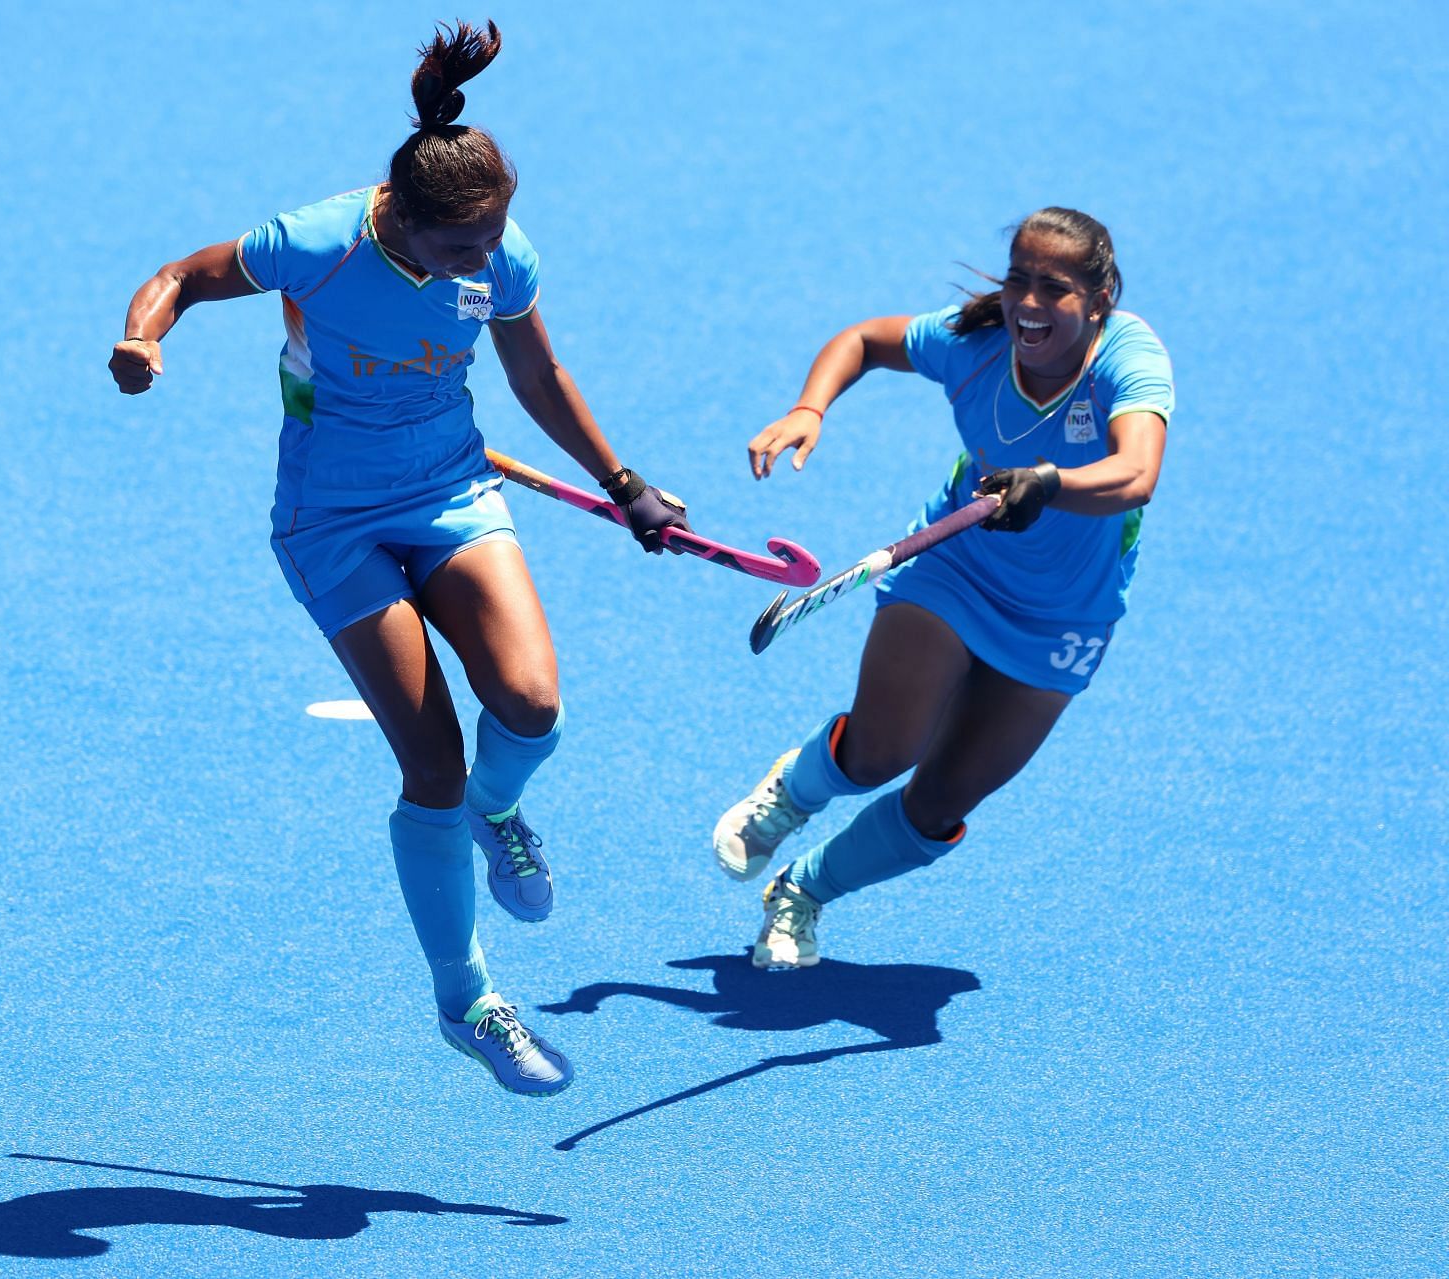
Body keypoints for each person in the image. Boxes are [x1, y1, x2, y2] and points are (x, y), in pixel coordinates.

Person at [108, 20, 688, 1092]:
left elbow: (540, 377)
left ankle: (499, 814)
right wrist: (145, 339)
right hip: (332, 522)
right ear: (401, 222)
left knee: (531, 707)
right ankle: (467, 1001)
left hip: (452, 493)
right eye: (461, 248)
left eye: (494, 239)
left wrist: (624, 484)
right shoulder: (317, 244)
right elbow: (180, 276)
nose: (487, 261)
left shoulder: (496, 255)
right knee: (430, 761)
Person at [714, 208, 1173, 968]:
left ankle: (802, 892)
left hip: (1065, 615)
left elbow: (1137, 473)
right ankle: (791, 794)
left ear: (1098, 298)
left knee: (940, 804)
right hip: (958, 566)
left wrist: (1048, 483)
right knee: (880, 751)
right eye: (1018, 279)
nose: (1029, 303)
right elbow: (864, 341)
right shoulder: (975, 345)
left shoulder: (1129, 355)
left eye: (1054, 288)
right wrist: (809, 406)